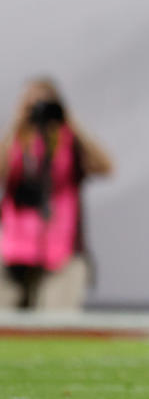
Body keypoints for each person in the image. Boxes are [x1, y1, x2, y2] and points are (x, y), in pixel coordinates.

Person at [1, 78, 113, 310]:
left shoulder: (69, 141)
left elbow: (105, 166)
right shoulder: (17, 142)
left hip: (62, 253)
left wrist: (69, 120)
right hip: (13, 251)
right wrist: (17, 122)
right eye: (31, 104)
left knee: (56, 327)